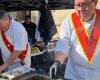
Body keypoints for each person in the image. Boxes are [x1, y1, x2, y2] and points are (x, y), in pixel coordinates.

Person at [50, 0, 100, 80]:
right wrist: (58, 62)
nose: (81, 9)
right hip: (74, 75)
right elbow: (63, 44)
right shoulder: (69, 22)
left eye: (85, 4)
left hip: (97, 75)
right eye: (78, 5)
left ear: (95, 3)